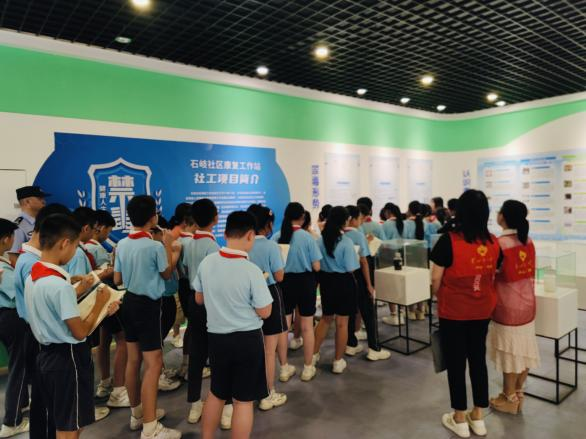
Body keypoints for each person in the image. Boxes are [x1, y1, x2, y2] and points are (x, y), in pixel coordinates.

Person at [24, 213, 119, 439]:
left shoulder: (33, 277)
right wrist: (101, 304)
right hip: (69, 359)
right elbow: (79, 332)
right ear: (65, 243)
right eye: (76, 246)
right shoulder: (60, 286)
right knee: (70, 428)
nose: (76, 251)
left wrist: (79, 288)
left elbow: (53, 305)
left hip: (47, 357)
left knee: (62, 420)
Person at [195, 211, 273, 439]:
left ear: (226, 233)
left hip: (217, 339)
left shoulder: (207, 262)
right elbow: (265, 311)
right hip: (247, 340)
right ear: (250, 235)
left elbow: (199, 299)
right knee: (243, 401)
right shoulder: (252, 270)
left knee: (217, 393)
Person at [431, 190, 500, 438]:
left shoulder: (448, 241)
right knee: (478, 359)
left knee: (456, 363)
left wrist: (437, 295)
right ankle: (478, 417)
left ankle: (459, 418)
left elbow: (436, 278)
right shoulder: (493, 242)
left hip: (454, 312)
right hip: (482, 310)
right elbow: (493, 273)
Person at [113, 195, 179, 439]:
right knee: (154, 363)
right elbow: (166, 273)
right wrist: (168, 245)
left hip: (128, 303)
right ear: (154, 218)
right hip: (148, 306)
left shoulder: (122, 244)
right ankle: (150, 428)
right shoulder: (154, 246)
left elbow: (117, 279)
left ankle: (138, 415)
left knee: (134, 360)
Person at [13, 203, 79, 439]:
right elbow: (76, 329)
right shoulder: (33, 266)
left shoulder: (34, 265)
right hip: (48, 340)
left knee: (49, 404)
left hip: (41, 337)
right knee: (57, 412)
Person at [183, 199, 232, 427]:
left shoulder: (190, 243)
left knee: (197, 353)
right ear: (215, 218)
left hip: (194, 302)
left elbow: (186, 270)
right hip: (210, 303)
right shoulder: (213, 247)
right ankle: (225, 406)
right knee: (219, 353)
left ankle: (195, 405)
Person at [488, 200, 539, 415]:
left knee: (510, 353)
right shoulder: (528, 241)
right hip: (527, 305)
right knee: (524, 351)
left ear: (503, 217)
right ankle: (518, 394)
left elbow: (490, 274)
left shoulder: (499, 244)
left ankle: (509, 398)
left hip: (506, 307)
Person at [247, 204, 291, 410]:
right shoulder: (271, 246)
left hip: (247, 297)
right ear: (269, 224)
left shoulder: (244, 246)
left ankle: (252, 390)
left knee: (253, 348)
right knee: (269, 350)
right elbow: (279, 276)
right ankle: (267, 394)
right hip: (269, 295)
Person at [274, 202, 322, 382]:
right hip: (305, 283)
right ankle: (308, 368)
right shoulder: (308, 237)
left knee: (284, 328)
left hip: (284, 283)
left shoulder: (277, 236)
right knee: (307, 327)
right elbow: (317, 266)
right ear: (302, 217)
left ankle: (284, 368)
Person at [313, 206, 359, 374]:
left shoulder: (320, 240)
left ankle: (313, 355)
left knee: (325, 319)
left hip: (326, 282)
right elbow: (351, 268)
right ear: (344, 221)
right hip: (344, 282)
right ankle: (338, 362)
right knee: (342, 323)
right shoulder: (346, 242)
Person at [344, 206, 391, 362]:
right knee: (369, 313)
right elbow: (364, 261)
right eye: (359, 218)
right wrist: (369, 285)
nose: (361, 221)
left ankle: (351, 344)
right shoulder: (358, 235)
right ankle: (374, 348)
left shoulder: (339, 235)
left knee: (350, 312)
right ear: (352, 219)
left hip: (346, 278)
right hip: (360, 277)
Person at [0, 219, 30, 437]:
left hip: (5, 318)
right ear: (5, 239)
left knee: (19, 363)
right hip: (10, 317)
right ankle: (12, 421)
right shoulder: (2, 269)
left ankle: (22, 403)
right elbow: (18, 293)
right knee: (18, 366)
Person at [151, 217, 182, 393]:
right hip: (161, 298)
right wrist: (172, 250)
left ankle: (160, 371)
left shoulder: (159, 247)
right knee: (157, 339)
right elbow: (167, 271)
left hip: (165, 296)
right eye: (163, 232)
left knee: (158, 338)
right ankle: (158, 376)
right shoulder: (157, 249)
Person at [169, 203, 196, 351]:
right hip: (184, 282)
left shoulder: (180, 237)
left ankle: (186, 356)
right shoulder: (179, 237)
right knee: (191, 322)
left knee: (190, 322)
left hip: (181, 282)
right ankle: (177, 336)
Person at [8, 186, 49, 264]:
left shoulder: (43, 221)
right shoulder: (18, 226)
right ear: (27, 202)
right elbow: (13, 257)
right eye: (39, 198)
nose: (44, 201)